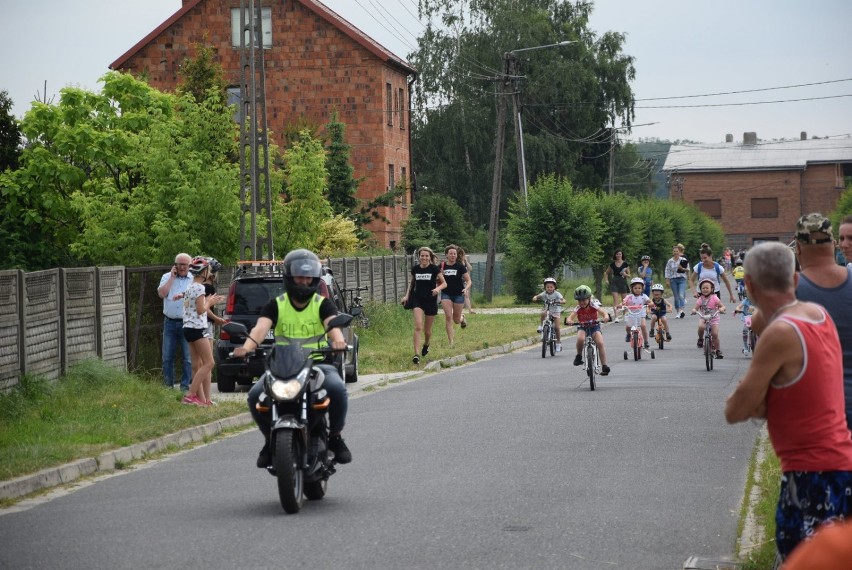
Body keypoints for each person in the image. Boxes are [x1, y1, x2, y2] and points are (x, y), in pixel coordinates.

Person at [724, 242, 852, 563]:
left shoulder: (780, 333)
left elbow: (736, 410)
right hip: (837, 463)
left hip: (811, 475)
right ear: (795, 280)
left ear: (749, 285)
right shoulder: (819, 315)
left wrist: (759, 394)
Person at [231, 249, 352, 466]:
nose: (303, 282)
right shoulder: (276, 304)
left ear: (314, 279)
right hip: (283, 366)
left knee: (337, 389)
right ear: (289, 278)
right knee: (255, 395)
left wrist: (338, 342)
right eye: (299, 277)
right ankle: (270, 440)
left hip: (318, 364)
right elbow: (260, 328)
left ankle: (335, 437)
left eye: (308, 278)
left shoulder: (321, 304)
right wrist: (247, 347)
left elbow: (333, 326)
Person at [794, 213, 852, 432]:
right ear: (833, 243)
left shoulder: (790, 291)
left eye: (851, 239)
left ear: (798, 247)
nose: (846, 245)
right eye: (842, 239)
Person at [181, 257, 225, 406]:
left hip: (187, 328)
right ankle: (190, 394)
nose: (210, 273)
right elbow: (201, 310)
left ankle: (201, 400)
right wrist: (210, 302)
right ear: (203, 272)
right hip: (198, 328)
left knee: (196, 365)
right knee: (209, 363)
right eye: (209, 270)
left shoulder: (189, 286)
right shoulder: (200, 288)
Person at [401, 247, 446, 364]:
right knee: (418, 327)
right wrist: (406, 296)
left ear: (430, 257)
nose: (424, 258)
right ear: (419, 257)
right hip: (418, 300)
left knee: (427, 331)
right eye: (422, 256)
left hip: (431, 300)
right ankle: (416, 354)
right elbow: (411, 284)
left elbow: (444, 283)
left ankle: (426, 344)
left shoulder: (434, 269)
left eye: (426, 256)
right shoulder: (415, 269)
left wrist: (437, 289)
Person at [157, 252, 193, 390]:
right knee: (167, 357)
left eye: (185, 264)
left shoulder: (193, 279)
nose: (182, 267)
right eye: (179, 264)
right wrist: (172, 278)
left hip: (187, 323)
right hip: (170, 322)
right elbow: (162, 294)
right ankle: (168, 387)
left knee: (188, 358)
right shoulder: (166, 277)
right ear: (175, 265)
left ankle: (185, 387)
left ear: (189, 266)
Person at [565, 285, 611, 375]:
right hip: (583, 326)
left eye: (584, 300)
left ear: (589, 298)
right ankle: (578, 356)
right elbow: (570, 317)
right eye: (579, 300)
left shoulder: (593, 305)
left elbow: (603, 312)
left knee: (600, 343)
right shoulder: (578, 308)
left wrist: (605, 317)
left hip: (594, 326)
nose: (581, 302)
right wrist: (569, 321)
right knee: (580, 339)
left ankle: (604, 365)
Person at [439, 244, 472, 345]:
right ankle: (451, 342)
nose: (453, 255)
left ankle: (462, 318)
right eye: (451, 254)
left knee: (456, 320)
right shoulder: (442, 266)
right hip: (446, 294)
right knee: (448, 317)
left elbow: (469, 280)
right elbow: (435, 277)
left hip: (458, 294)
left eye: (454, 254)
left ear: (457, 255)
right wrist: (440, 275)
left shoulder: (460, 267)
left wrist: (466, 289)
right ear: (446, 255)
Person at [691, 277, 727, 358]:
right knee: (701, 327)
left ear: (712, 289)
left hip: (714, 318)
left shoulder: (714, 297)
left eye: (707, 288)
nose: (705, 289)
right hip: (704, 317)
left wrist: (721, 309)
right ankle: (700, 339)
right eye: (703, 288)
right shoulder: (700, 299)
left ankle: (718, 350)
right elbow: (695, 308)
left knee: (714, 334)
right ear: (700, 289)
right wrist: (694, 310)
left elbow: (722, 306)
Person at [532, 277, 565, 352]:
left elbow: (563, 299)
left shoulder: (557, 294)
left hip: (556, 311)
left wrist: (561, 301)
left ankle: (558, 343)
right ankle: (541, 326)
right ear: (545, 287)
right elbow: (537, 296)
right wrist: (535, 297)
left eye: (551, 287)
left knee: (557, 327)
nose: (549, 288)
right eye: (547, 287)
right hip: (547, 309)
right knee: (543, 312)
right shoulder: (544, 293)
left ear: (554, 287)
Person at [621, 277, 650, 349]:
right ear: (632, 288)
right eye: (635, 288)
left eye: (639, 288)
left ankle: (646, 341)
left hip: (641, 314)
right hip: (632, 314)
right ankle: (628, 334)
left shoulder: (644, 296)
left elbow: (649, 301)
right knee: (628, 326)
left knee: (643, 326)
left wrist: (651, 304)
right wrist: (621, 305)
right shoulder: (629, 296)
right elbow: (624, 302)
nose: (637, 290)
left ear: (642, 288)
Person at [603, 250, 630, 322]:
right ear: (615, 255)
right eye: (617, 254)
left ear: (622, 255)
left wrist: (625, 274)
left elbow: (629, 275)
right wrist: (606, 280)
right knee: (615, 299)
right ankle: (616, 317)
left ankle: (625, 315)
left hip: (623, 281)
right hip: (615, 281)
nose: (618, 255)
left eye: (620, 254)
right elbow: (606, 273)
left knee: (624, 300)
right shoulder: (612, 264)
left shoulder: (625, 264)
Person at [664, 243, 689, 319]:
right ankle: (678, 311)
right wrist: (667, 280)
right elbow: (667, 270)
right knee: (676, 297)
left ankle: (681, 310)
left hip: (682, 279)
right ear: (672, 252)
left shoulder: (683, 260)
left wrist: (682, 269)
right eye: (674, 251)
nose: (675, 252)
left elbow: (688, 270)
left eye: (677, 251)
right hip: (673, 280)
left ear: (679, 252)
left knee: (681, 295)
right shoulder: (670, 261)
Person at [733, 290, 756, 355]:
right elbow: (739, 306)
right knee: (745, 331)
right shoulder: (746, 301)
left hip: (757, 318)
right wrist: (737, 309)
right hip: (748, 318)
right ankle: (745, 347)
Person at [460, 247, 476, 314]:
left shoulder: (465, 262)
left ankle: (470, 310)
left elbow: (470, 268)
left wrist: (466, 261)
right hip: (458, 281)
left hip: (464, 281)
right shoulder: (458, 262)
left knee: (466, 295)